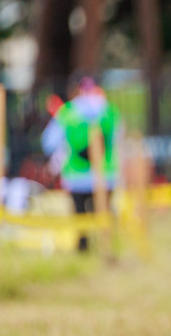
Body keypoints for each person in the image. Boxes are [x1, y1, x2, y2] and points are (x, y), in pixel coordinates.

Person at [40, 76, 121, 252]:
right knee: (103, 214)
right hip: (106, 174)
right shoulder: (109, 111)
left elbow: (48, 142)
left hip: (76, 176)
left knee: (80, 216)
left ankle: (83, 246)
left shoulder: (68, 112)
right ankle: (107, 247)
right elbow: (118, 139)